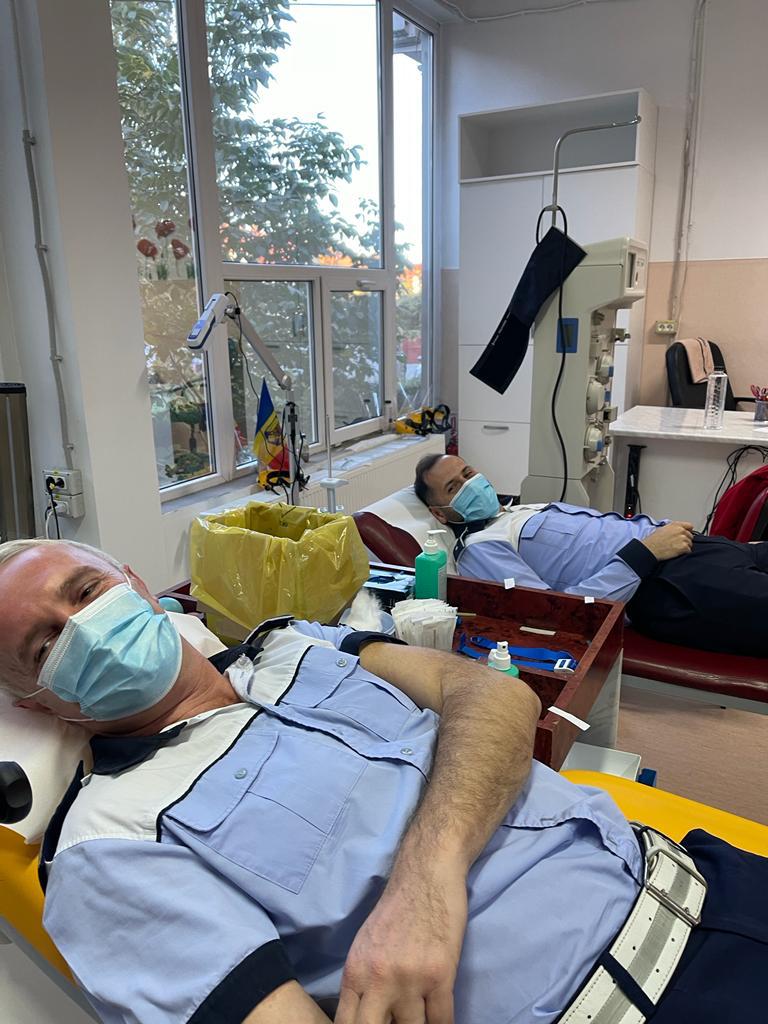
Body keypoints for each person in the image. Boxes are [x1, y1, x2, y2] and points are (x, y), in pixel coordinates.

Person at [0, 538, 767, 1024]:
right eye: (44, 645)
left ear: (136, 582)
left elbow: (496, 697)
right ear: (30, 700)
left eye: (85, 592)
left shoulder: (292, 645)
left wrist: (425, 881)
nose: (84, 629)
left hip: (703, 878)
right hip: (640, 1001)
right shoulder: (110, 846)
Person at [414, 452, 768, 656]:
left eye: (468, 473)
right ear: (439, 514)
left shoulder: (520, 510)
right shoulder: (480, 548)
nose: (470, 485)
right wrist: (644, 554)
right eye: (454, 487)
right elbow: (555, 614)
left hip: (694, 546)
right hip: (668, 583)